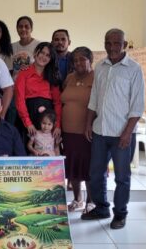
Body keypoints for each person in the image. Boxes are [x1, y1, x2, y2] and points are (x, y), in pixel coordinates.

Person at [81, 29, 145, 231]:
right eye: (108, 43)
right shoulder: (100, 66)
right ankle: (101, 208)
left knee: (122, 177)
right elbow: (94, 99)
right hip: (100, 131)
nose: (112, 47)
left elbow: (138, 105)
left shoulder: (134, 69)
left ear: (124, 45)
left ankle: (120, 214)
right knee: (95, 174)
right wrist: (88, 123)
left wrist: (127, 133)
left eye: (117, 43)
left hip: (122, 134)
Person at [61, 47, 95, 212]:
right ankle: (77, 199)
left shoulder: (96, 77)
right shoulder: (69, 78)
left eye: (82, 59)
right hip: (68, 132)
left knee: (89, 167)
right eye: (75, 60)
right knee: (73, 167)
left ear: (90, 60)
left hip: (87, 132)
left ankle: (91, 200)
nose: (78, 63)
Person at [14, 42, 62, 140]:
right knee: (28, 149)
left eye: (48, 55)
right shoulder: (23, 74)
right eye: (42, 53)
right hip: (27, 117)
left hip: (48, 121)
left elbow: (57, 103)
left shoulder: (52, 76)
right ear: (36, 53)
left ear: (50, 59)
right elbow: (19, 100)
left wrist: (57, 125)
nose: (44, 57)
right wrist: (28, 123)